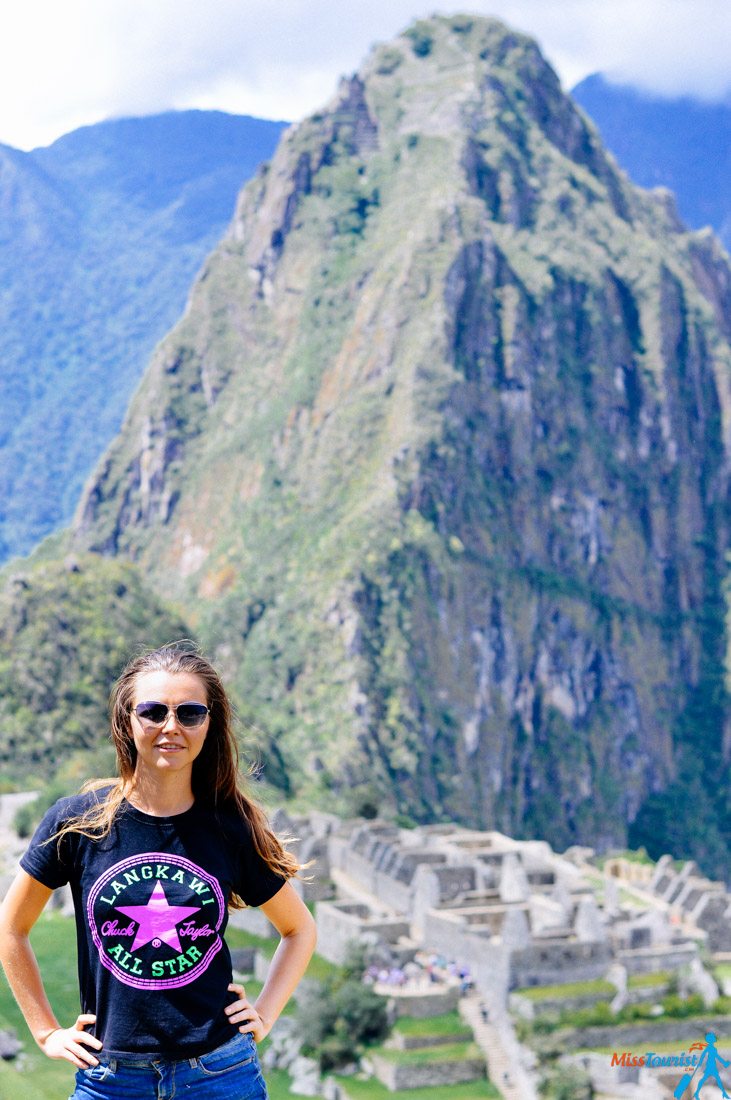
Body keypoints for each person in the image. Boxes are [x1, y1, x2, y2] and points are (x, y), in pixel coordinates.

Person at [0, 642, 317, 1099]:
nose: (171, 727)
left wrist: (265, 1013)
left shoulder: (230, 828)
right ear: (128, 720)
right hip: (109, 1079)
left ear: (210, 724)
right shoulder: (77, 822)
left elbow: (299, 930)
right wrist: (46, 1033)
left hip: (219, 1075)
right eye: (153, 711)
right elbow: (11, 928)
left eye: (190, 713)